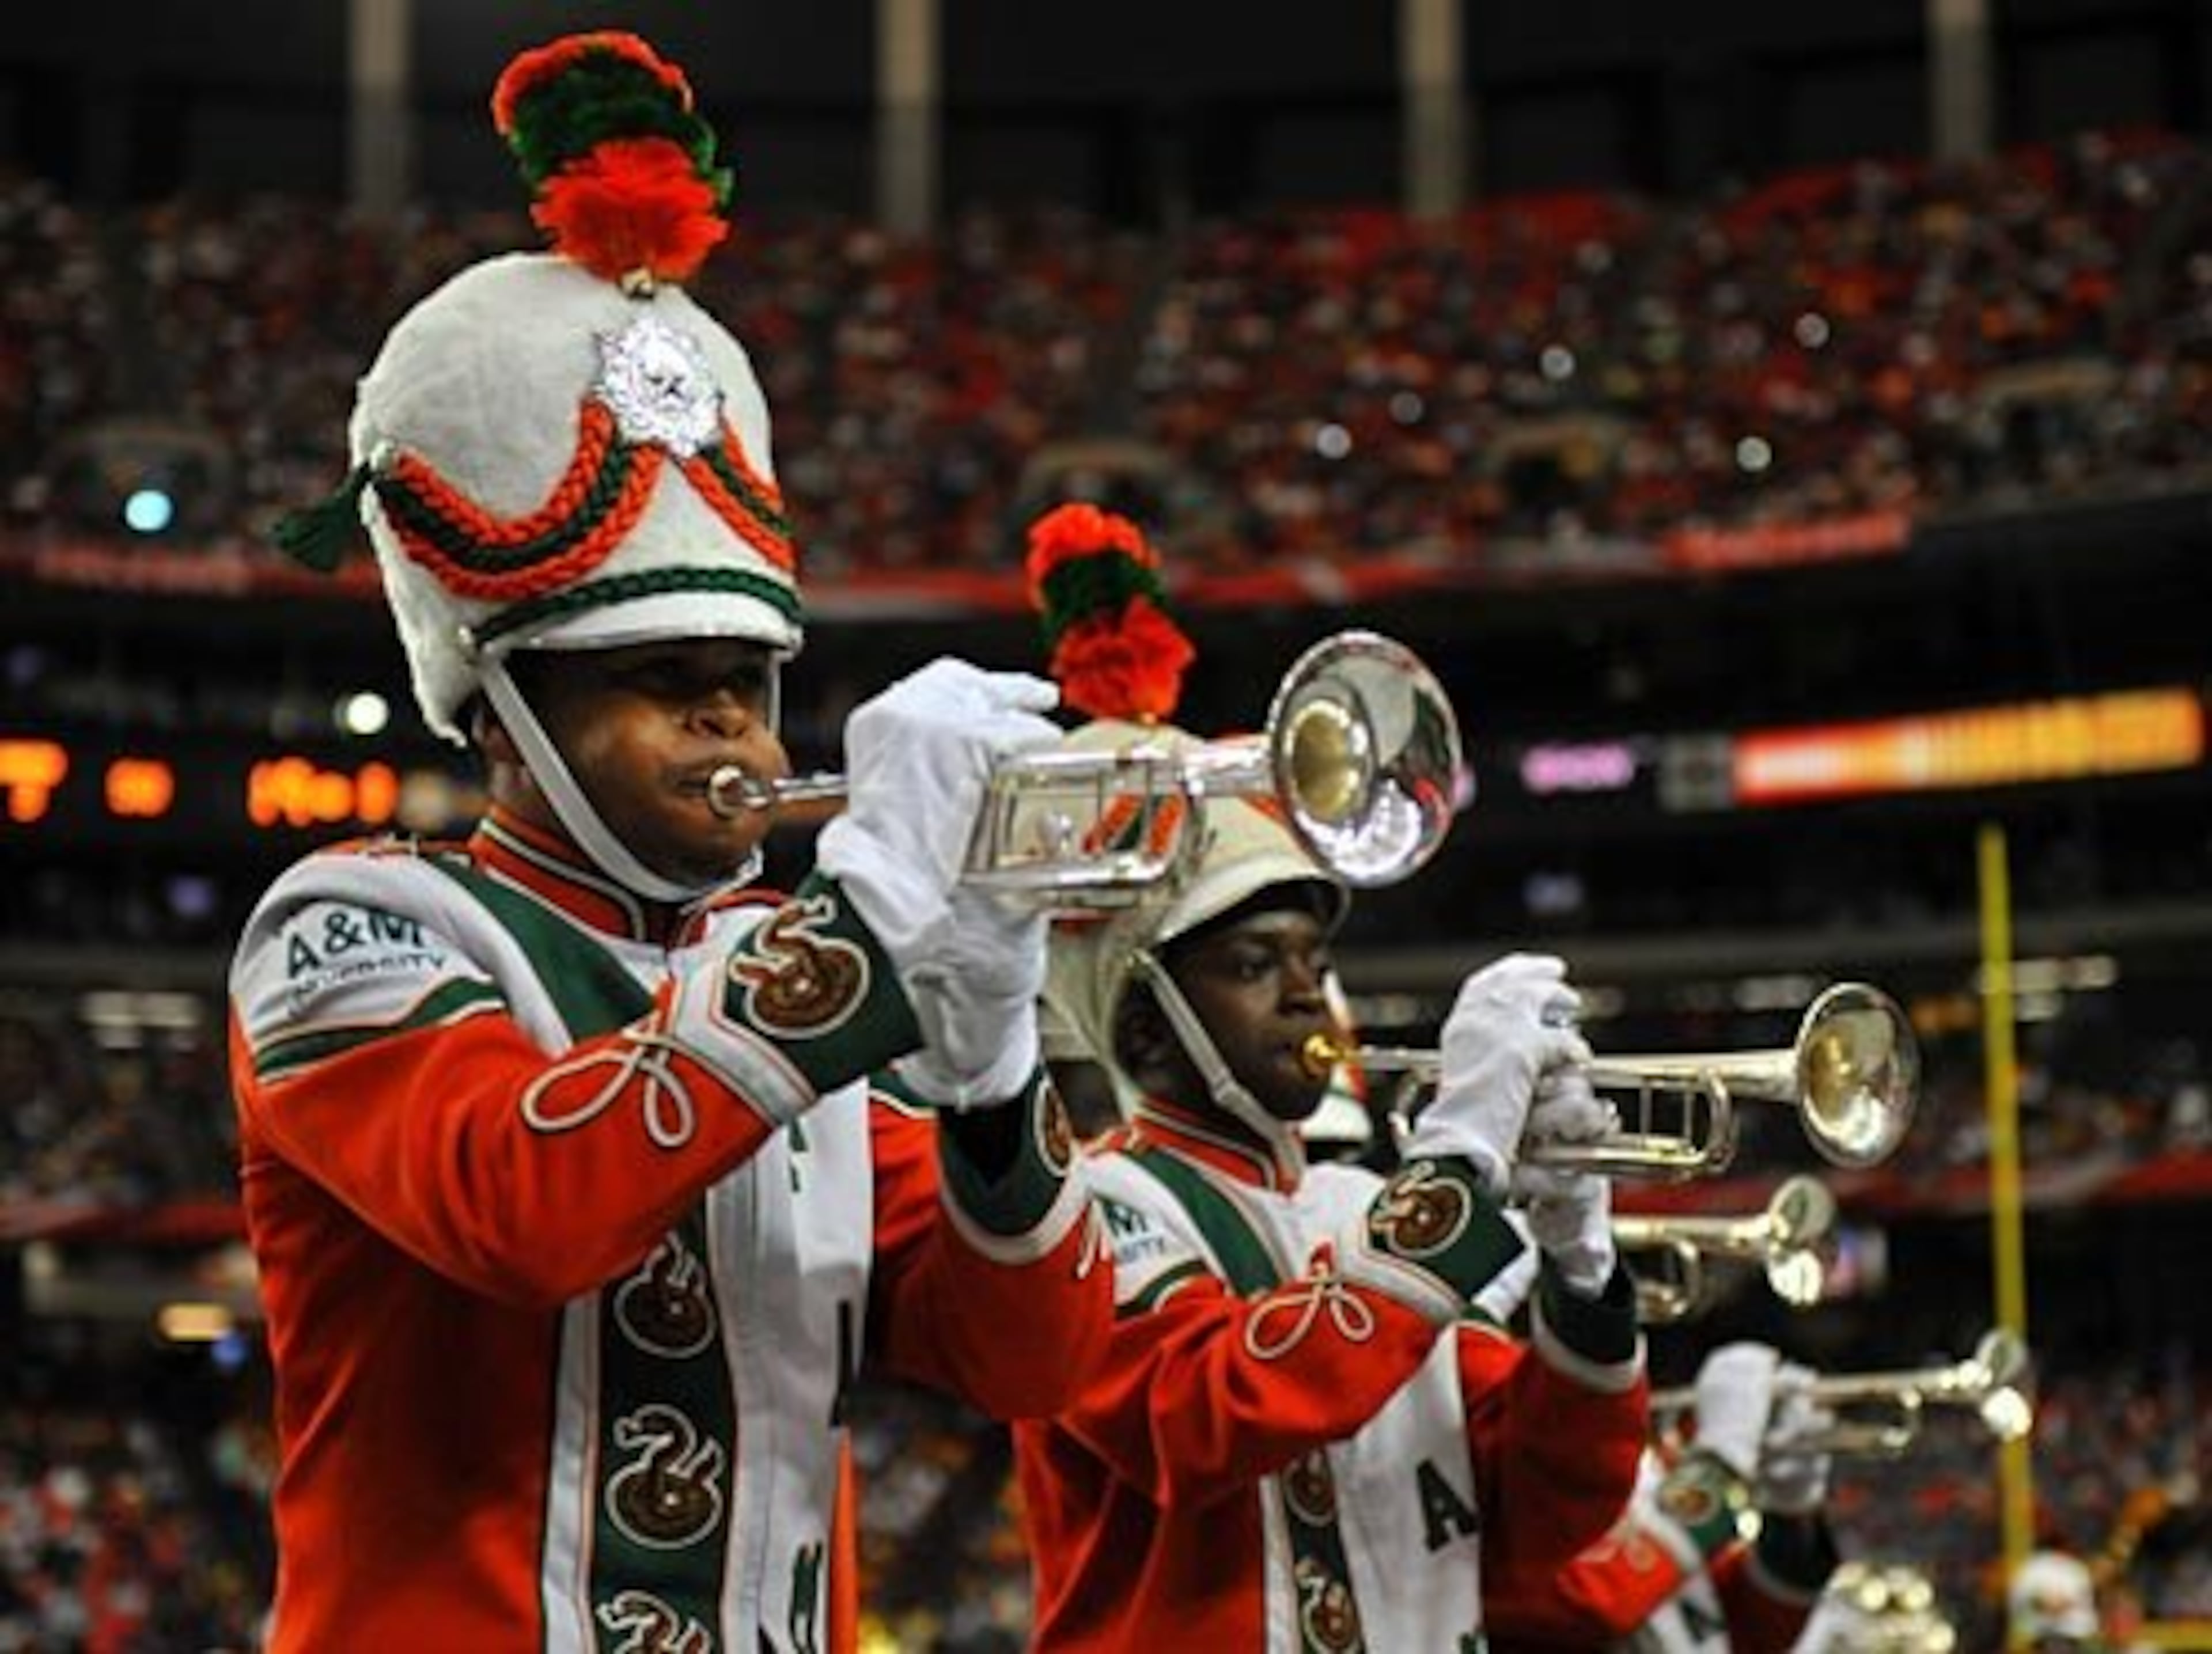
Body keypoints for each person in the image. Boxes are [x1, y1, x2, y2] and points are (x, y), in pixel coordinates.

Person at [230, 32, 1108, 1651]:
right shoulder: (350, 925)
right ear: (499, 713)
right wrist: (861, 935)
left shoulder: (785, 990)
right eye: (660, 683)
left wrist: (989, 1060)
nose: (730, 732)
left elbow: (1034, 1364)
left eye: (746, 685)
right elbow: (523, 1203)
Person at [1012, 717, 1650, 1648]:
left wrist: (1580, 1267)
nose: (1309, 993)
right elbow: (1204, 1417)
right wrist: (1458, 1163)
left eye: (1317, 960)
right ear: (1146, 1029)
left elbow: (1543, 1509)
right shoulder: (1082, 1207)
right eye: (1254, 964)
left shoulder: (1361, 1214)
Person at [1487, 1341, 1843, 1653]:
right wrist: (1721, 1468)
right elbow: (1586, 1605)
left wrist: (1791, 1507)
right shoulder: (1495, 1461)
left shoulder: (1648, 1467)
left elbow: (1754, 1630)